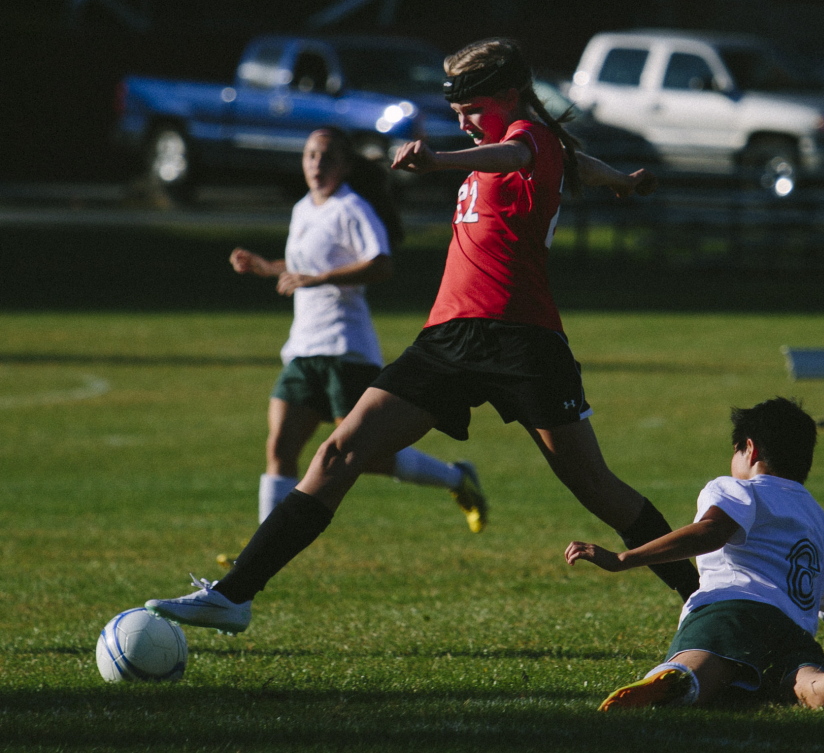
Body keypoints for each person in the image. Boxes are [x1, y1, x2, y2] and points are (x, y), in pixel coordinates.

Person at [145, 37, 699, 636]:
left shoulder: (527, 139)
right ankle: (234, 595)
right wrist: (619, 179)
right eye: (457, 113)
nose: (461, 122)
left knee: (595, 487)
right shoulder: (540, 147)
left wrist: (438, 161)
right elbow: (568, 162)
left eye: (471, 109)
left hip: (523, 340)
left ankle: (703, 596)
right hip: (449, 335)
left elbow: (517, 153)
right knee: (339, 452)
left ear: (510, 96)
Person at [564, 397, 824, 711]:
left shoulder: (737, 489)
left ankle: (676, 679)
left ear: (750, 448)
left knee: (703, 666)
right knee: (813, 687)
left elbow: (713, 531)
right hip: (792, 632)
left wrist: (623, 559)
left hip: (729, 610)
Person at [227, 127, 486, 530]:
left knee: (364, 456)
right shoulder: (302, 209)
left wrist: (319, 279)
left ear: (346, 166)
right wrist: (265, 267)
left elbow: (381, 264)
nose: (316, 164)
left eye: (327, 157)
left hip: (344, 348)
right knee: (280, 447)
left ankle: (456, 477)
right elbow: (303, 271)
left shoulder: (352, 209)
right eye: (310, 155)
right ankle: (256, 554)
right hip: (303, 349)